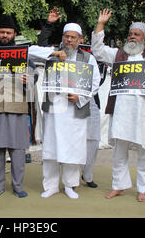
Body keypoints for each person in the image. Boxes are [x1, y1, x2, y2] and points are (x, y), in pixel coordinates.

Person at [91, 9, 145, 202]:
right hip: (121, 111)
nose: (132, 37)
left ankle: (142, 189)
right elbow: (97, 50)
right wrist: (101, 24)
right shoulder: (118, 55)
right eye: (130, 34)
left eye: (136, 34)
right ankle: (119, 186)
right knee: (119, 152)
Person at [33, 23, 101, 199]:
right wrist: (54, 53)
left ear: (80, 40)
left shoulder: (88, 58)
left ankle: (70, 185)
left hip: (75, 111)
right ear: (63, 37)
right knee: (51, 148)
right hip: (54, 110)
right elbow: (29, 52)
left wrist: (80, 96)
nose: (69, 40)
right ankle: (51, 185)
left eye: (73, 37)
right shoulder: (52, 54)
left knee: (73, 148)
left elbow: (95, 83)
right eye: (66, 37)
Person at [0, 15, 34, 198]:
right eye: (2, 32)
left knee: (18, 149)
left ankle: (18, 186)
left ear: (14, 34)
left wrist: (28, 79)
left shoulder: (24, 55)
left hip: (17, 107)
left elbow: (33, 78)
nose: (5, 35)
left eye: (8, 33)